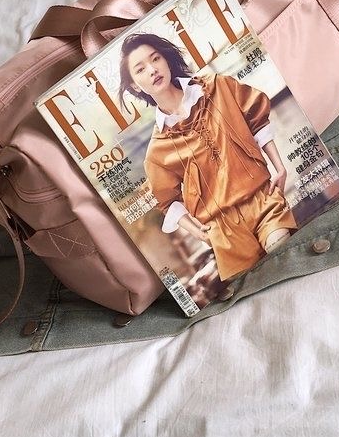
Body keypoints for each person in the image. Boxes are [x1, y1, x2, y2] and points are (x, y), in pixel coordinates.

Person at [118, 33, 297, 280]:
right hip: (223, 230)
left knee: (284, 256)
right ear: (135, 86)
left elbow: (256, 118)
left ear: (165, 60)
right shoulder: (157, 150)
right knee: (260, 288)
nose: (152, 70)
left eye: (155, 58)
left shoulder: (217, 87)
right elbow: (167, 201)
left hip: (262, 200)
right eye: (140, 69)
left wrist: (279, 167)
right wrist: (197, 232)